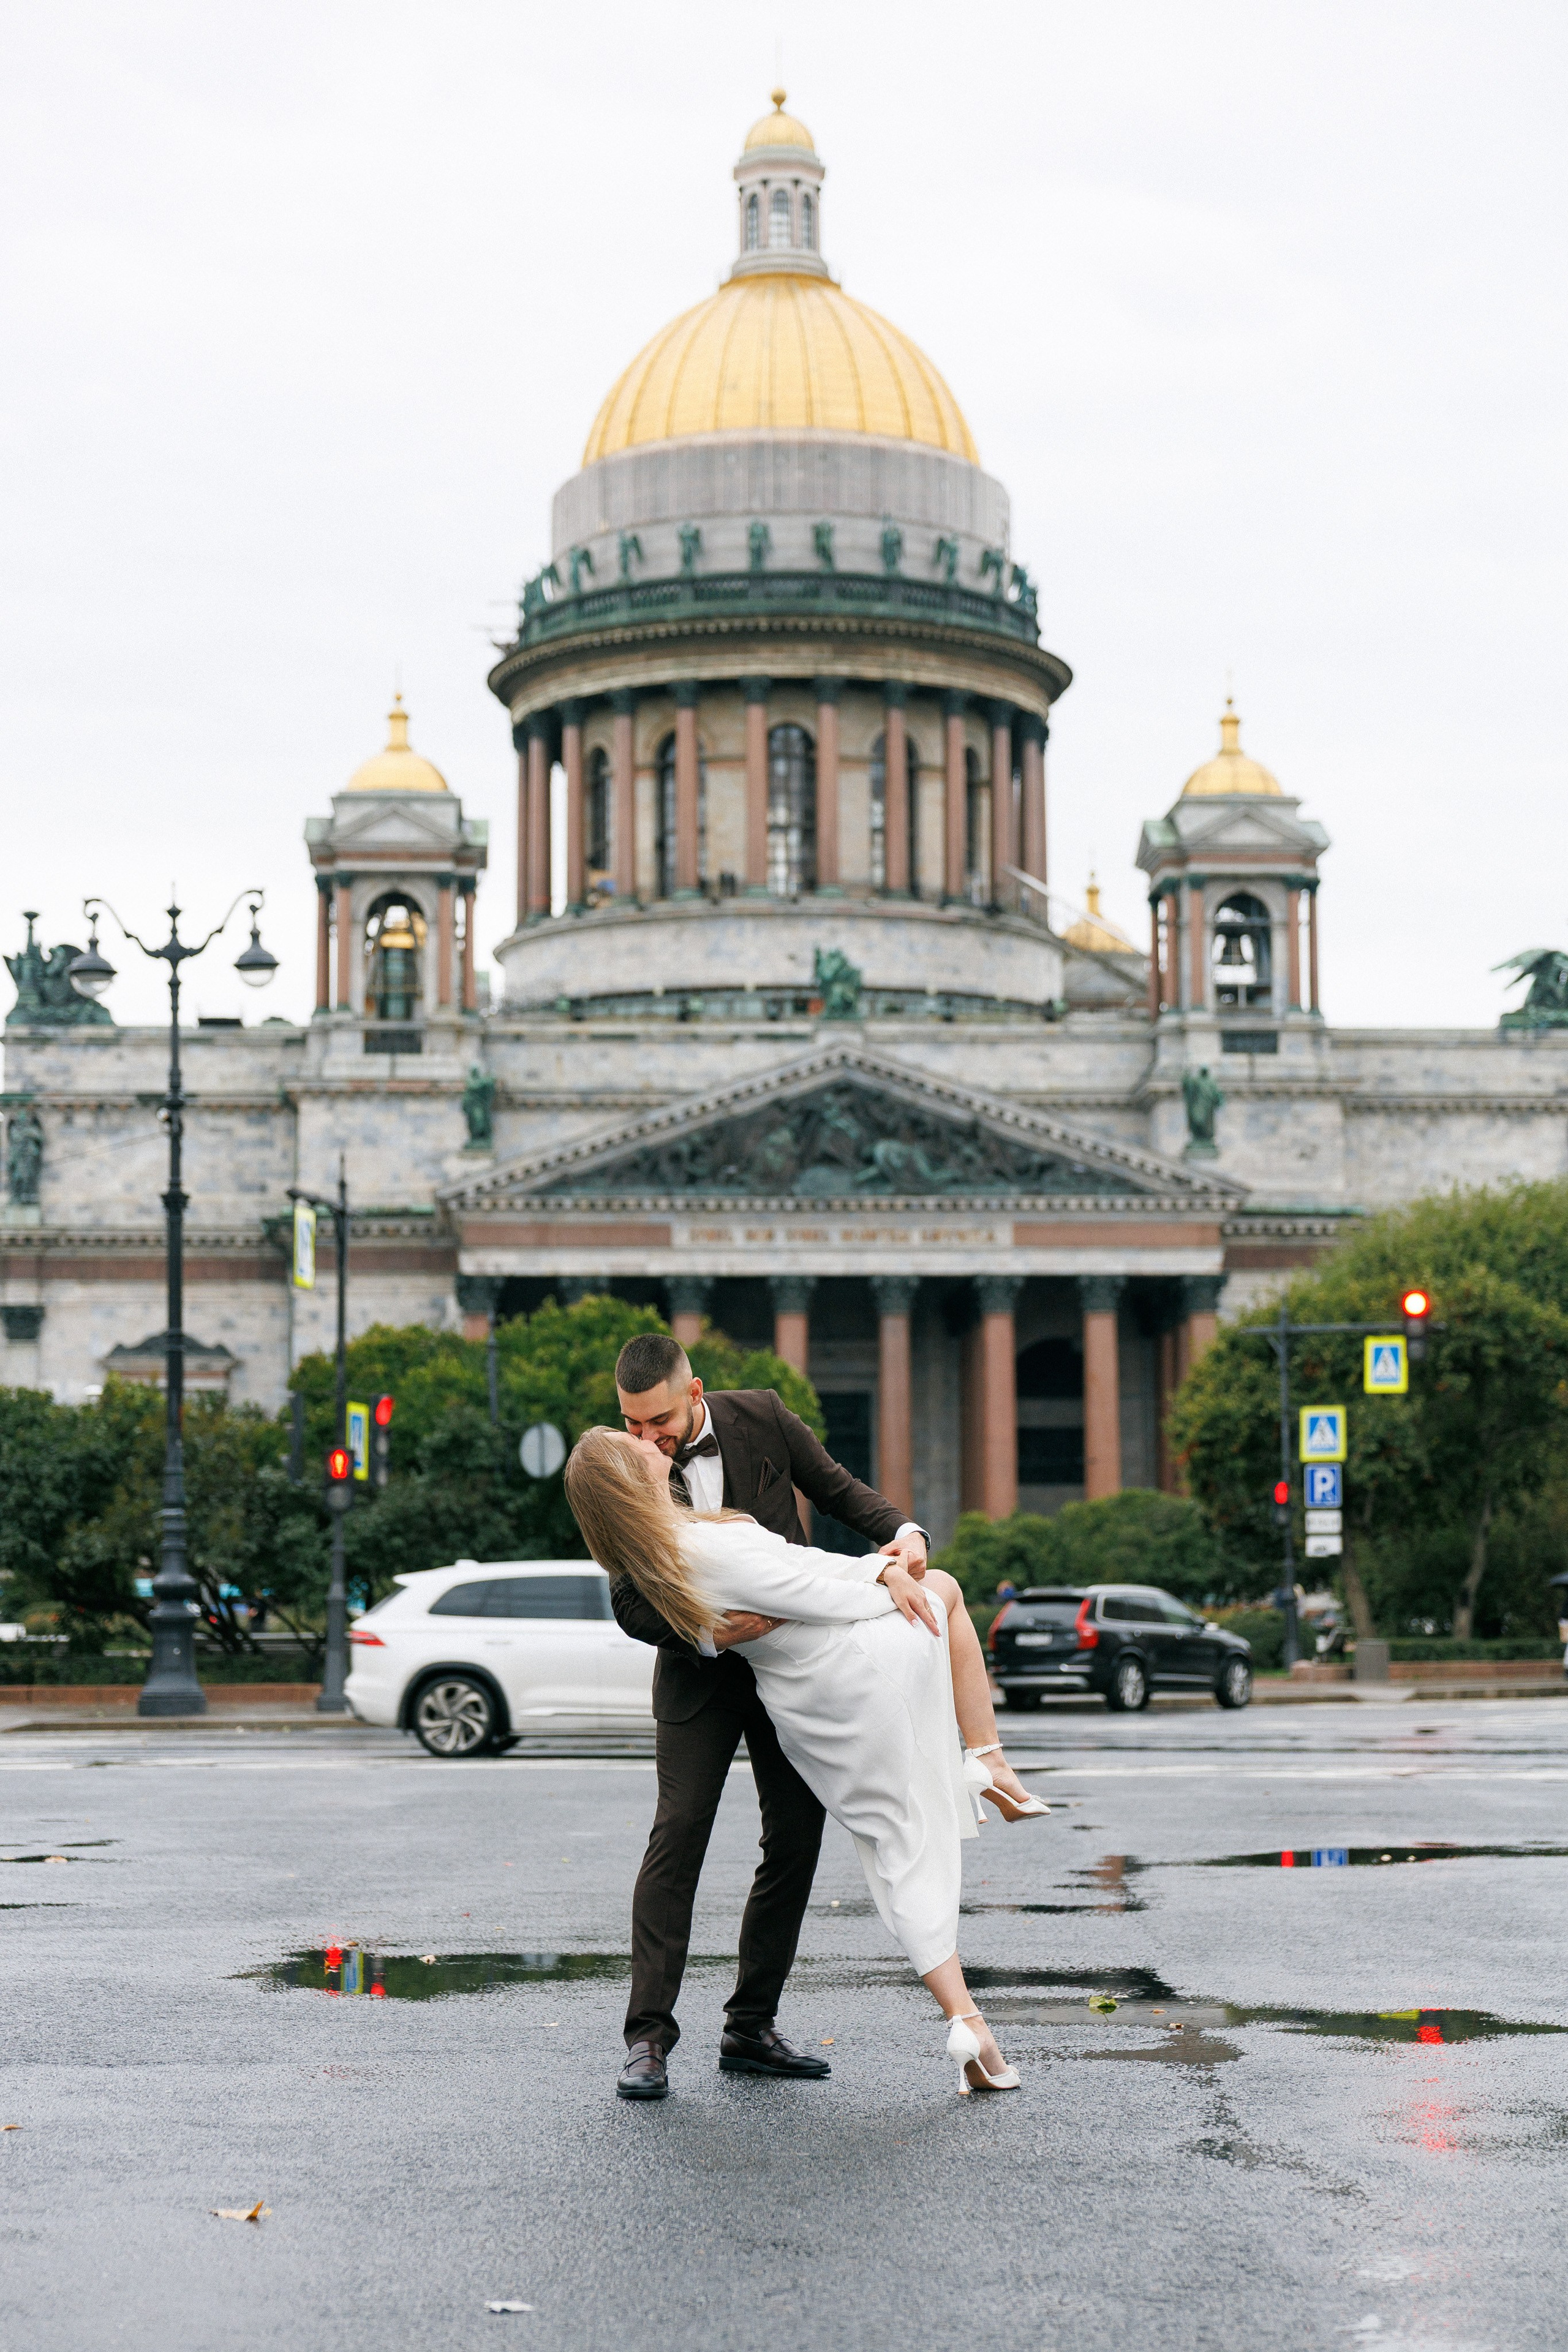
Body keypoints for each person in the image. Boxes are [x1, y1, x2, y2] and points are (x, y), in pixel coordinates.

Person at [568, 1406, 1048, 2102]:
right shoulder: (655, 1535)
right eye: (630, 1430)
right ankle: (647, 2038)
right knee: (679, 1837)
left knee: (800, 1841)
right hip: (718, 1669)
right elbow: (634, 1603)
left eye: (652, 1424)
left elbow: (836, 1492)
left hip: (798, 1677)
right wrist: (712, 1632)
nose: (645, 1437)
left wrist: (897, 1539)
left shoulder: (755, 1419)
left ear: (691, 1389)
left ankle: (751, 2027)